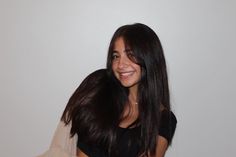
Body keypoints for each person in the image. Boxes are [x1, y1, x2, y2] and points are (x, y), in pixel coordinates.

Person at [38, 23, 177, 157]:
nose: (120, 64)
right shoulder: (99, 87)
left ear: (149, 57)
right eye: (116, 56)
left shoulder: (164, 119)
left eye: (130, 54)